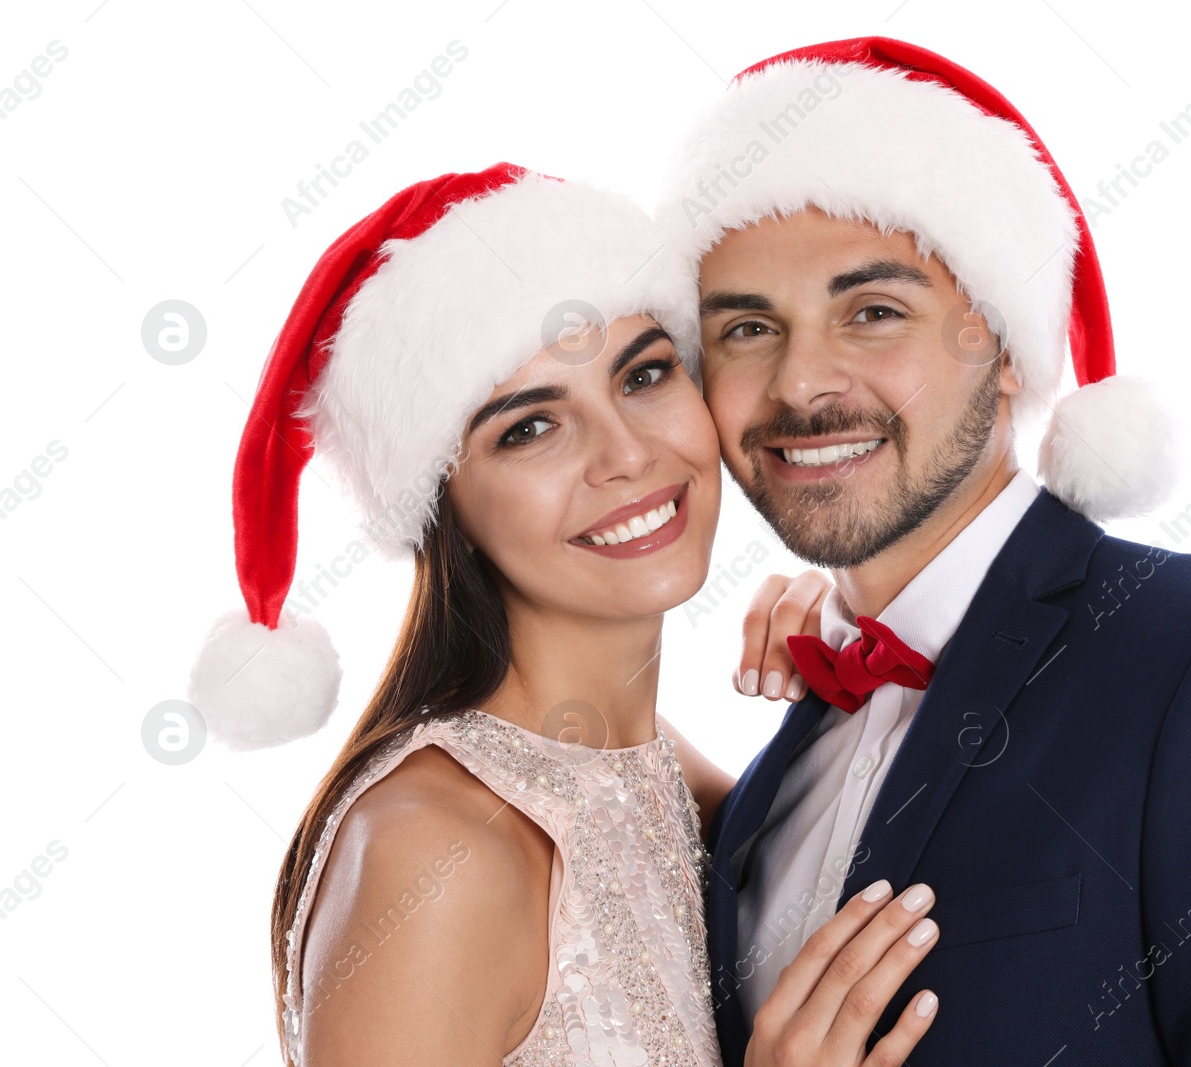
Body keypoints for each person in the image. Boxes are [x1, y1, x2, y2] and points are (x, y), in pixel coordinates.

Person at [659, 37, 1191, 1065]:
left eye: (872, 311)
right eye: (746, 328)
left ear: (1006, 350)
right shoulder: (774, 772)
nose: (799, 384)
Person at [187, 164, 942, 1066]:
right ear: (445, 508)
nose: (626, 452)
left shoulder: (657, 771)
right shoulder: (435, 851)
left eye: (647, 374)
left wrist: (847, 646)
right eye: (529, 428)